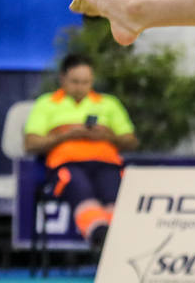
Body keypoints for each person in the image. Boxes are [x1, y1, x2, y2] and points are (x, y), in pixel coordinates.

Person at [23, 54, 138, 250]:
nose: (80, 87)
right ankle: (99, 235)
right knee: (80, 187)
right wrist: (66, 136)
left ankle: (117, 246)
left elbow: (131, 141)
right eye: (75, 82)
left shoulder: (108, 103)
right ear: (62, 78)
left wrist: (106, 136)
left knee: (114, 194)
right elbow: (30, 144)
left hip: (107, 164)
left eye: (86, 82)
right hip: (66, 165)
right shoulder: (47, 103)